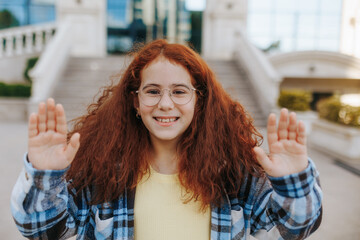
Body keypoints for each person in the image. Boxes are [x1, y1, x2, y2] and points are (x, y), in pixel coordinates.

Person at [11, 39, 322, 240]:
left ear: (200, 100)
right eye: (152, 91)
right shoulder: (102, 171)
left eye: (179, 91)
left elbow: (295, 228)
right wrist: (44, 177)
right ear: (134, 101)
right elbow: (38, 229)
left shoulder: (233, 173)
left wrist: (293, 181)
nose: (165, 104)